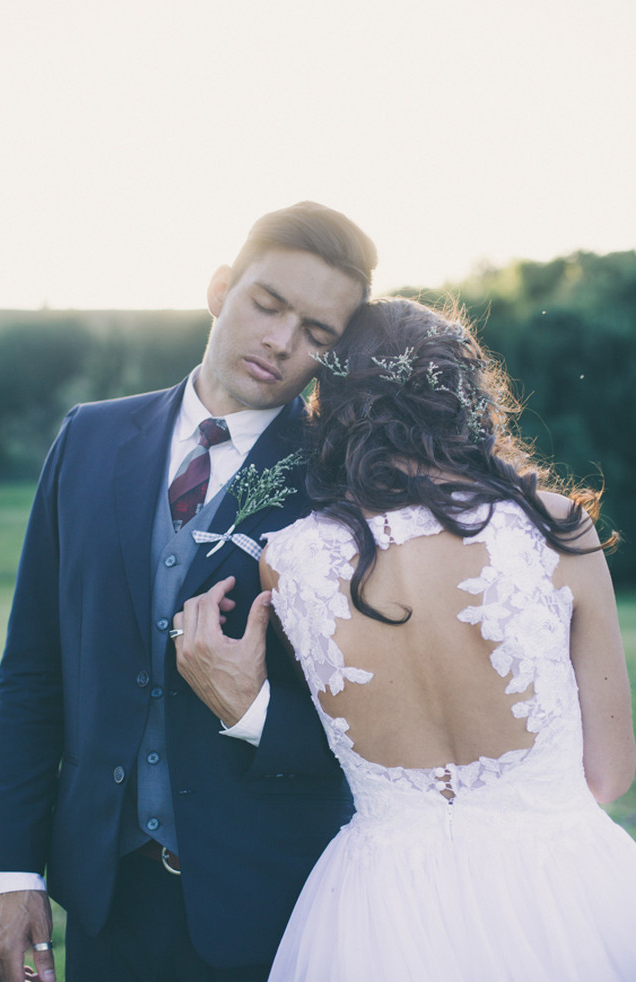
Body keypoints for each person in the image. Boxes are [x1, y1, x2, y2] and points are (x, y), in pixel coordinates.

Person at [0, 201, 377, 982]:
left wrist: (252, 708)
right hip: (106, 896)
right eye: (267, 305)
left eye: (316, 332)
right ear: (220, 287)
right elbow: (33, 669)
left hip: (273, 896)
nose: (280, 341)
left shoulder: (347, 483)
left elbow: (380, 734)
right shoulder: (89, 436)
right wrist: (17, 871)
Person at [257, 297, 636, 980]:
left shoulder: (289, 560)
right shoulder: (554, 528)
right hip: (560, 889)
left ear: (334, 404)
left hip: (378, 912)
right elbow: (608, 775)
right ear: (463, 394)